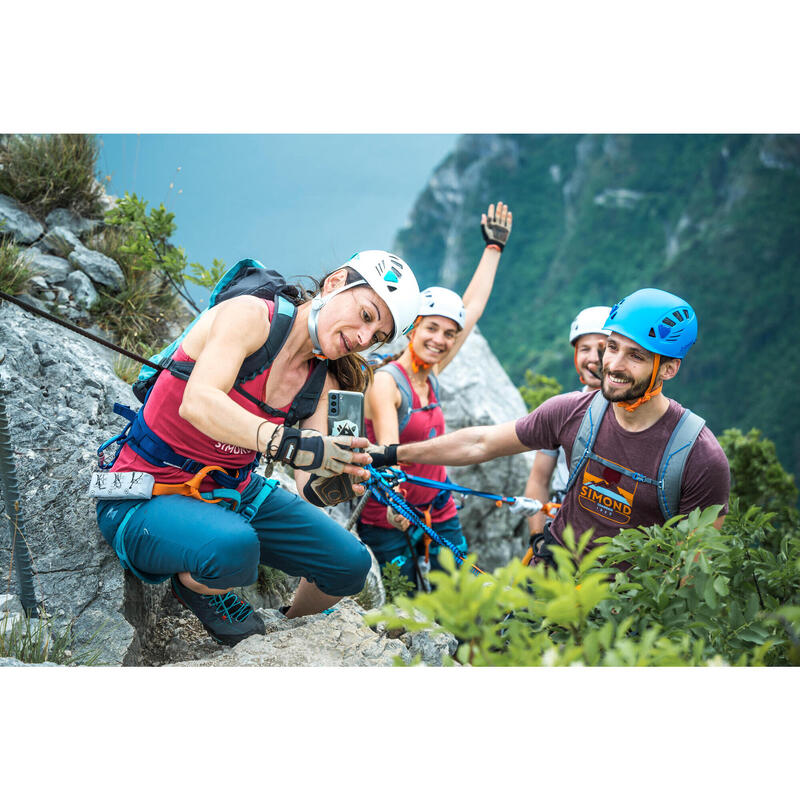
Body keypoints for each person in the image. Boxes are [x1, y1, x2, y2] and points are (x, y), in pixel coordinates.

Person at [95, 250, 421, 646]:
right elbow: (197, 401)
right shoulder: (251, 315)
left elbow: (309, 484)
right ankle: (199, 588)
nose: (362, 339)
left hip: (233, 491)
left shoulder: (324, 382)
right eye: (367, 316)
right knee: (234, 546)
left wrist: (338, 478)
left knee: (349, 564)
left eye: (377, 338)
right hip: (147, 490)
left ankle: (286, 629)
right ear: (335, 284)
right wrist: (284, 441)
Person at [368, 288, 730, 568]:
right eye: (612, 348)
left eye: (635, 356)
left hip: (625, 614)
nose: (613, 365)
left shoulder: (698, 456)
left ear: (668, 369)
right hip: (551, 582)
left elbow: (695, 563)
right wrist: (393, 453)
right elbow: (481, 443)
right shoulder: (571, 412)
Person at [357, 202, 512, 590]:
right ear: (412, 329)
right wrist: (396, 506)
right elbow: (387, 452)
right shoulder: (388, 384)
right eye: (431, 329)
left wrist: (493, 249)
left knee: (458, 600)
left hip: (439, 507)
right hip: (390, 518)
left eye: (448, 334)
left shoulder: (432, 372)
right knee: (406, 610)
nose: (440, 340)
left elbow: (471, 310)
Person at [523, 305, 611, 538]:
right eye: (585, 349)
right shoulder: (564, 412)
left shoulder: (634, 416)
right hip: (562, 526)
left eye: (602, 348)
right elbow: (539, 480)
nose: (593, 358)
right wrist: (537, 537)